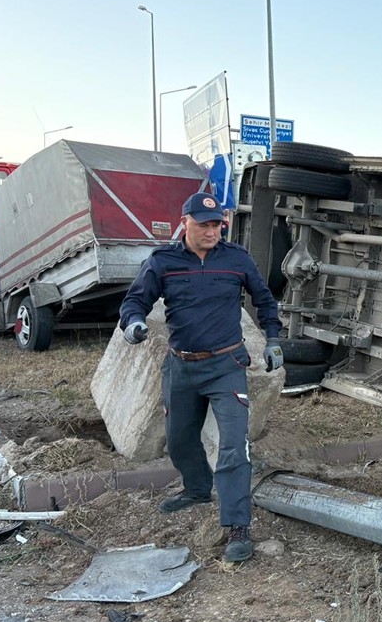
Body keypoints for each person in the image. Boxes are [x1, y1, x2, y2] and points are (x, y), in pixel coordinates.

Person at [118, 192, 284, 563]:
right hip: (181, 366)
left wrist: (273, 339)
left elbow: (265, 299)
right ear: (185, 223)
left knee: (233, 445)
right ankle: (196, 488)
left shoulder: (236, 259)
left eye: (217, 226)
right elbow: (134, 302)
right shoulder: (163, 261)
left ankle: (237, 527)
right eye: (204, 225)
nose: (212, 232)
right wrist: (134, 324)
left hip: (227, 365)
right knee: (178, 439)